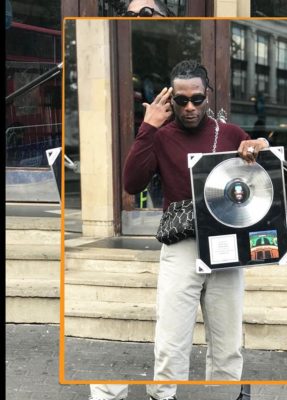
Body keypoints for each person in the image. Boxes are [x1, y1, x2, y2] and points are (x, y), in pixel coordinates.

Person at [90, 60, 269, 400]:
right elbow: (131, 183)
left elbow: (257, 177)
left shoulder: (230, 134)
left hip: (225, 244)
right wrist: (147, 128)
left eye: (197, 99)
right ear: (171, 99)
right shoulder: (160, 136)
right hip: (182, 243)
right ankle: (163, 394)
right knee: (172, 338)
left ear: (208, 95)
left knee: (228, 340)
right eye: (181, 100)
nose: (189, 107)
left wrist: (258, 146)